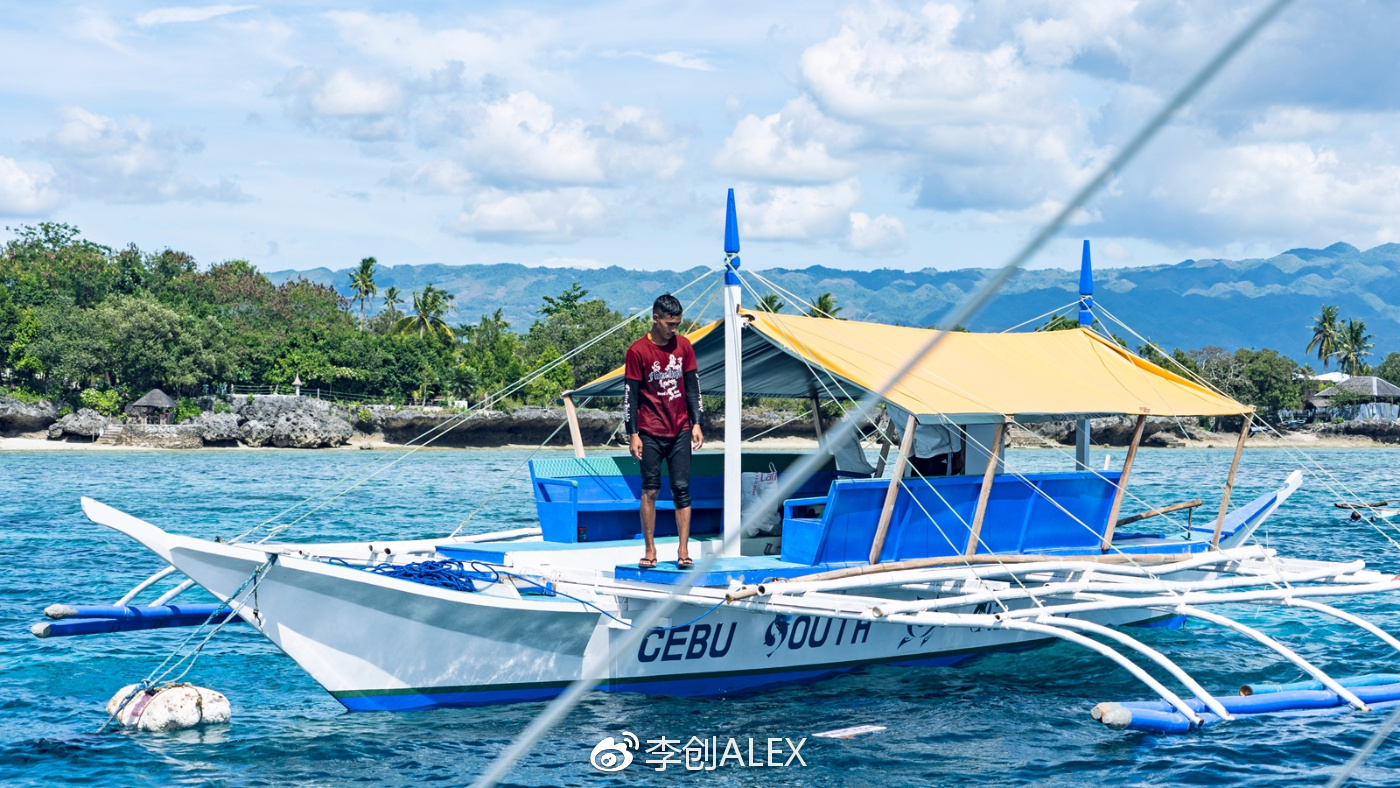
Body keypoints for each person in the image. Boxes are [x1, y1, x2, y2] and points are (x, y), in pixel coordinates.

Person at [624, 293, 704, 569]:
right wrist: (632, 433)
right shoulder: (637, 351)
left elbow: (693, 387)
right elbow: (630, 396)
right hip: (649, 431)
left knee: (682, 489)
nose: (674, 329)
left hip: (681, 428)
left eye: (678, 324)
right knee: (650, 490)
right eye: (670, 324)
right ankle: (650, 551)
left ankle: (683, 551)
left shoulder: (684, 346)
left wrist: (697, 423)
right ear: (655, 318)